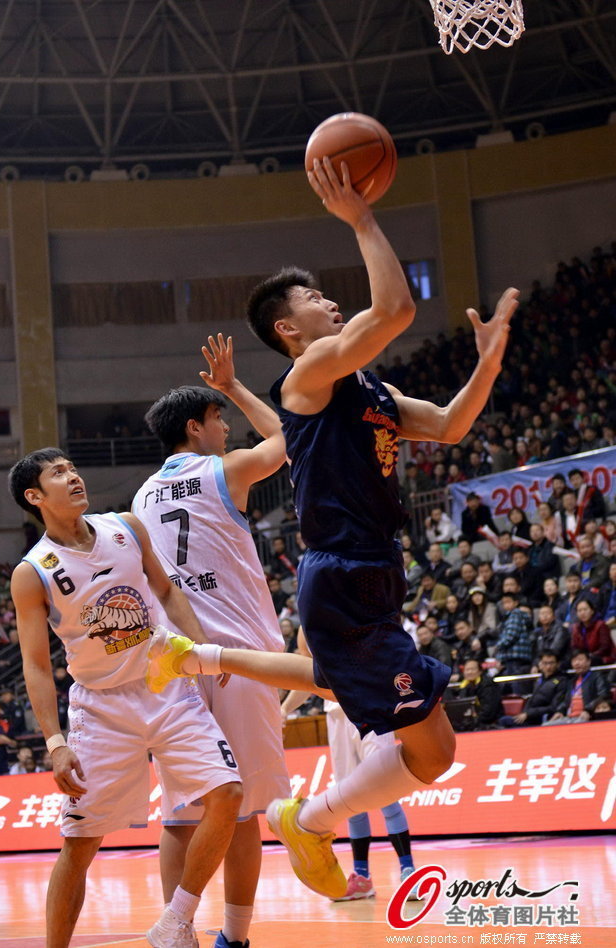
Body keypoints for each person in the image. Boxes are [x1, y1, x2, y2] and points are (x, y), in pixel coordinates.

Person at [241, 156, 518, 896]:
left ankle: (311, 815)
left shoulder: (369, 386)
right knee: (433, 751)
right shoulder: (305, 381)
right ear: (286, 328)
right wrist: (360, 217)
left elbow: (454, 425)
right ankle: (311, 818)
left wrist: (486, 363)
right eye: (315, 298)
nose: (330, 302)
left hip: (370, 572)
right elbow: (394, 311)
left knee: (428, 745)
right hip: (342, 572)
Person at [8, 448, 243, 948]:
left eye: (73, 467)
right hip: (102, 708)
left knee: (228, 795)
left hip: (166, 685)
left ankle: (175, 921)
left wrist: (200, 647)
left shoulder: (127, 526)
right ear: (35, 496)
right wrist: (54, 741)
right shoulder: (33, 572)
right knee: (80, 845)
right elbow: (36, 664)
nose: (73, 477)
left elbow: (167, 589)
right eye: (58, 474)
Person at [134, 336, 290, 948]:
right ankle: (236, 937)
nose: (227, 429)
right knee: (244, 809)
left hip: (176, 664)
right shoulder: (224, 469)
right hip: (237, 660)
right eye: (220, 419)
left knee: (180, 813)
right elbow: (287, 437)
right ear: (196, 427)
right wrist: (235, 386)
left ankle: (180, 933)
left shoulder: (142, 497)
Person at [280, 628, 417, 901]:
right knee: (350, 797)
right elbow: (307, 675)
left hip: (370, 705)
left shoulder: (356, 605)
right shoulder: (306, 627)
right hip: (336, 713)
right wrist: (284, 709)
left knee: (385, 789)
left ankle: (409, 873)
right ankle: (362, 877)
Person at [498, 651, 568, 727]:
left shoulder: (561, 681)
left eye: (551, 663)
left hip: (541, 717)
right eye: (545, 663)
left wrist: (528, 714)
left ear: (558, 664)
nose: (548, 667)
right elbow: (532, 699)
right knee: (503, 720)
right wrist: (525, 713)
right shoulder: (540, 679)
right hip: (530, 716)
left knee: (506, 722)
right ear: (540, 664)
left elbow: (553, 707)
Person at [544, 649, 610, 725]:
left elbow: (603, 694)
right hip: (569, 717)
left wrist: (588, 710)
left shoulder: (597, 676)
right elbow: (565, 701)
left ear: (589, 661)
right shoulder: (571, 681)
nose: (577, 663)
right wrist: (560, 711)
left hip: (586, 716)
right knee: (546, 726)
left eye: (580, 659)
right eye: (574, 660)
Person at [455, 659, 503, 730]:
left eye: (472, 669)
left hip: (490, 722)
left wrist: (474, 720)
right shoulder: (464, 686)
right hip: (473, 721)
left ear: (480, 671)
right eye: (467, 670)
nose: (469, 672)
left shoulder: (488, 685)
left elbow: (489, 711)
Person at [570, 598, 614, 665]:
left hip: (602, 659)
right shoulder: (576, 628)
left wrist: (588, 657)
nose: (582, 613)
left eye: (585, 610)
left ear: (592, 611)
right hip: (584, 660)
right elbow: (574, 647)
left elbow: (605, 647)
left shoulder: (600, 625)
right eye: (579, 611)